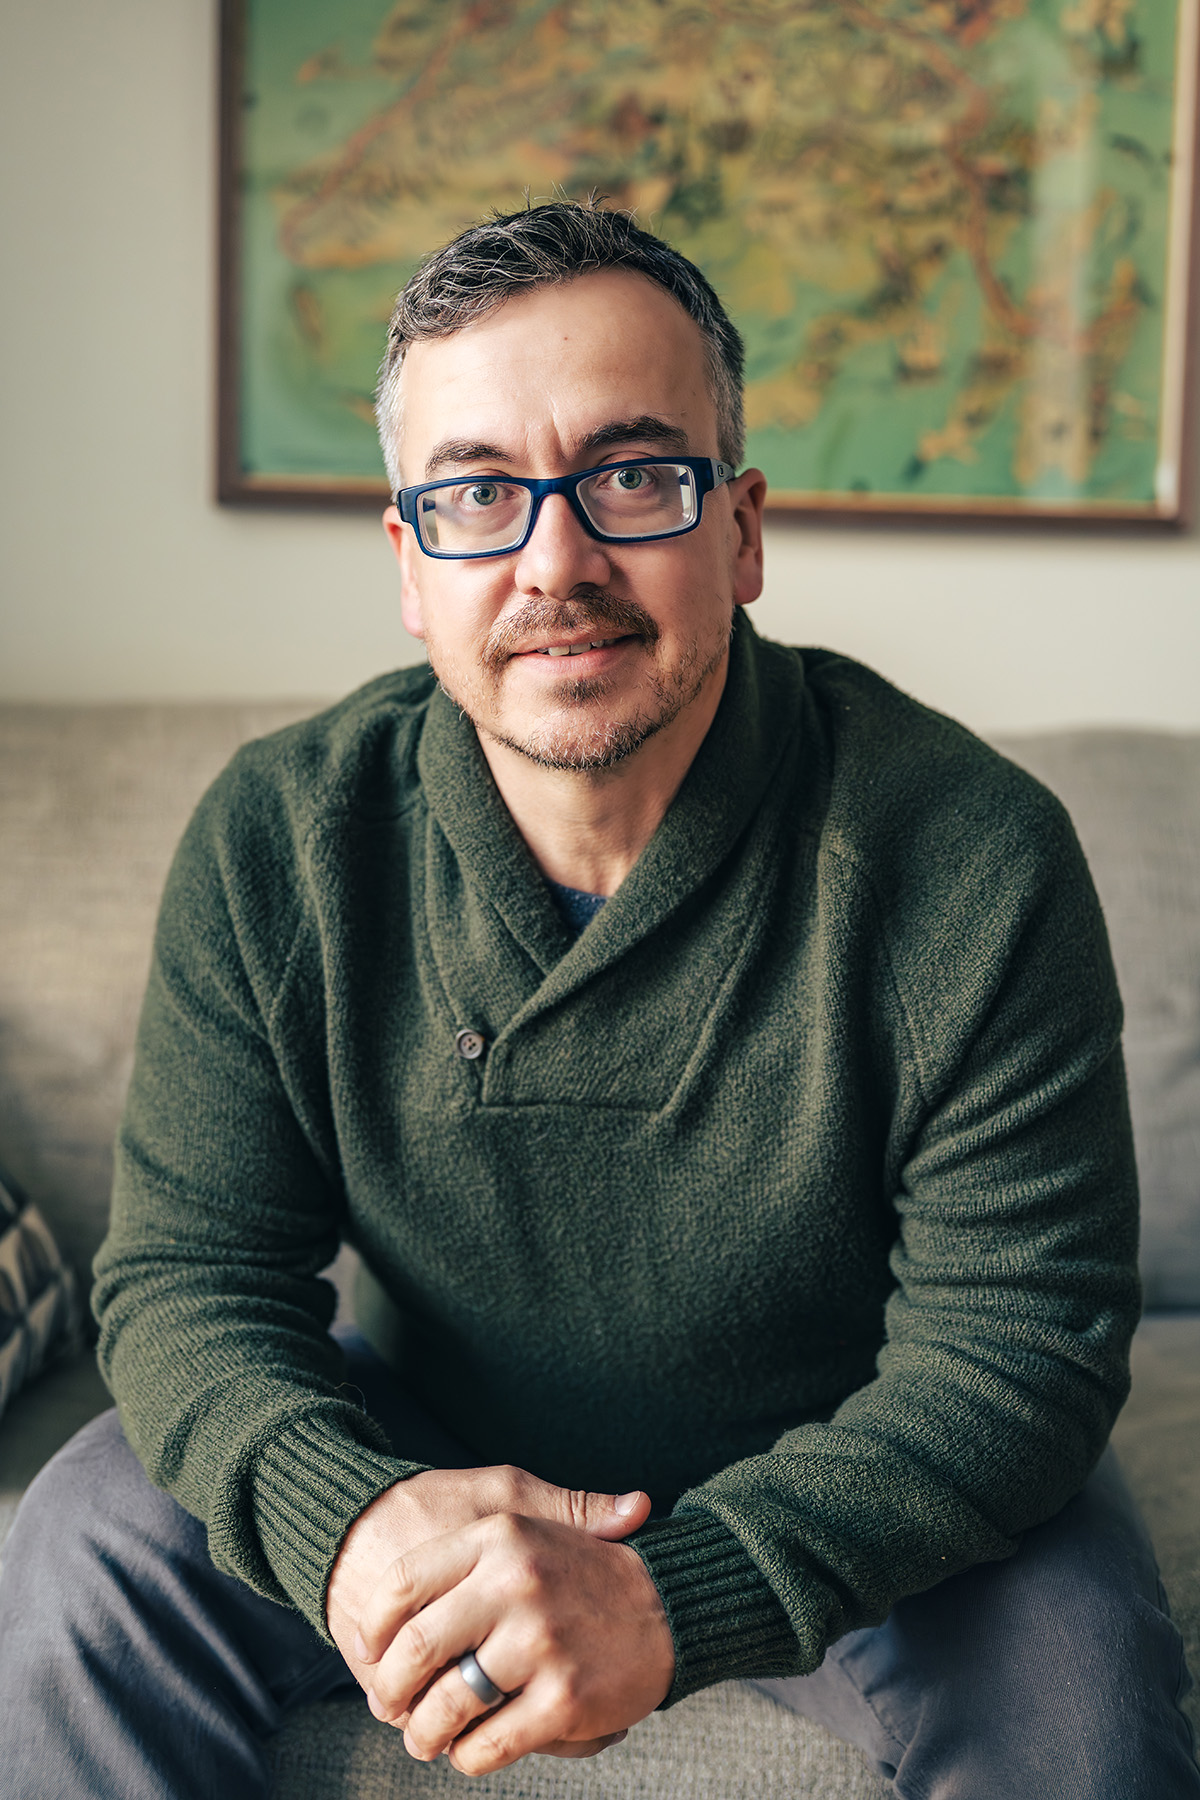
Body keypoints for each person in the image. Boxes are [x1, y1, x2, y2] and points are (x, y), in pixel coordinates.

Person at [1, 200, 1196, 1800]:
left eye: (635, 476)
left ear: (744, 529)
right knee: (84, 1541)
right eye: (479, 494)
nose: (556, 561)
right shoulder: (277, 837)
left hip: (855, 1448)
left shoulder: (971, 856)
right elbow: (187, 1275)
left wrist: (669, 1596)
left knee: (1091, 1701)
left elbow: (1018, 1350)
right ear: (412, 567)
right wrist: (349, 1521)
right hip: (419, 1420)